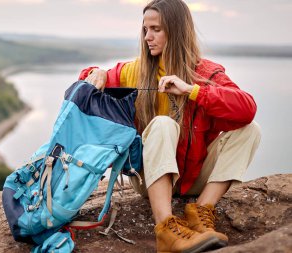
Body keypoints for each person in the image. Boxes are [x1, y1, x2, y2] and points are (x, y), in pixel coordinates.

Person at [79, 0, 261, 252]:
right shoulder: (135, 71)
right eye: (145, 29)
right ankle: (165, 228)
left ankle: (200, 212)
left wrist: (193, 91)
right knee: (163, 124)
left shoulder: (205, 72)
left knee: (251, 129)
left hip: (194, 178)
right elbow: (86, 82)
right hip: (150, 179)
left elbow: (247, 108)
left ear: (176, 31)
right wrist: (94, 72)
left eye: (156, 29)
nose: (147, 37)